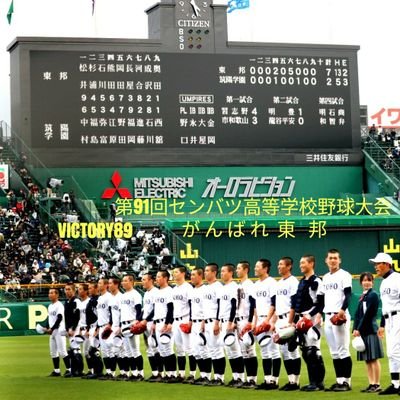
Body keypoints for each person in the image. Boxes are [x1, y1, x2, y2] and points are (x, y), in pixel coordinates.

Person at [317, 248, 352, 391]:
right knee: (334, 351)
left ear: (339, 260)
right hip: (328, 316)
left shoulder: (345, 275)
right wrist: (320, 314)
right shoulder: (325, 277)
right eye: (330, 258)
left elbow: (348, 295)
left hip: (340, 315)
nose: (333, 260)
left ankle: (346, 383)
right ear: (326, 260)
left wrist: (342, 310)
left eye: (335, 258)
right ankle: (339, 381)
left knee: (343, 350)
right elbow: (321, 298)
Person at [291, 254, 325, 392]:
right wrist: (294, 321)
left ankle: (317, 382)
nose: (301, 265)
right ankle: (314, 381)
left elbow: (320, 302)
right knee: (305, 351)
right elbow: (297, 304)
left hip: (311, 319)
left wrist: (310, 315)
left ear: (311, 264)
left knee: (313, 351)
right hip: (301, 319)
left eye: (303, 262)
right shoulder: (301, 281)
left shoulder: (316, 281)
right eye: (300, 263)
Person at [369, 252, 400, 395]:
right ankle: (395, 384)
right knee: (391, 353)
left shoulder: (397, 278)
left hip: (398, 317)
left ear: (387, 264)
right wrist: (382, 325)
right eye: (375, 264)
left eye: (378, 263)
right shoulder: (383, 283)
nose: (375, 266)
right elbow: (385, 306)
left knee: (395, 352)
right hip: (389, 319)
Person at [352, 272, 384, 393]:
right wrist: (354, 328)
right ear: (360, 283)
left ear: (372, 282)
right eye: (364, 280)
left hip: (370, 329)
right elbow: (357, 314)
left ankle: (377, 384)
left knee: (374, 358)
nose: (367, 282)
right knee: (367, 359)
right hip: (363, 330)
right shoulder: (363, 296)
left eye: (369, 280)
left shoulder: (373, 295)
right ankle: (371, 383)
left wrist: (358, 328)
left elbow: (369, 314)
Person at [253, 258, 280, 390]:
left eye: (257, 266)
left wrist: (270, 321)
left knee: (274, 351)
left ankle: (274, 381)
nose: (255, 268)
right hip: (260, 320)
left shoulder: (272, 283)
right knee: (264, 351)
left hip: (268, 320)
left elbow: (275, 304)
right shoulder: (256, 284)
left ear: (265, 268)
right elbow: (256, 307)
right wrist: (255, 322)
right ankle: (267, 379)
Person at [275, 256, 301, 391]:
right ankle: (291, 380)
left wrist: (292, 322)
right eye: (278, 264)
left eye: (281, 264)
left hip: (288, 319)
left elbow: (295, 303)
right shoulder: (279, 283)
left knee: (293, 350)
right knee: (284, 351)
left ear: (289, 266)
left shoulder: (293, 282)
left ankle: (296, 381)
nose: (279, 266)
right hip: (279, 319)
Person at [219, 263, 245, 388]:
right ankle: (235, 377)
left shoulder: (234, 286)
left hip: (230, 322)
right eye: (221, 271)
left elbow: (235, 305)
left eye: (224, 271)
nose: (221, 273)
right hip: (223, 321)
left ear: (231, 272)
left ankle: (241, 377)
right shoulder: (224, 287)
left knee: (236, 350)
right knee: (229, 351)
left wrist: (231, 321)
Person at [202, 263, 225, 386]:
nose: (205, 273)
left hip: (215, 321)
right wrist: (203, 322)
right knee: (211, 350)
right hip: (207, 321)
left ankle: (219, 378)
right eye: (205, 271)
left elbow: (220, 306)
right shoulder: (206, 288)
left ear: (214, 272)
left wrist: (217, 322)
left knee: (217, 350)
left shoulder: (218, 287)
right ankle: (215, 377)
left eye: (207, 271)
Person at [235, 261, 257, 389]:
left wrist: (250, 322)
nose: (237, 270)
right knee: (244, 352)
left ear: (246, 270)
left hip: (246, 320)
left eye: (239, 268)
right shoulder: (239, 285)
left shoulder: (249, 285)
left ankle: (252, 380)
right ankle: (247, 379)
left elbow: (253, 304)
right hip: (239, 320)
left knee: (250, 350)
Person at [171, 266, 195, 382]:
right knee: (179, 349)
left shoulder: (188, 287)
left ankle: (192, 374)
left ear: (183, 273)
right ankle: (180, 374)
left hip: (185, 319)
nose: (174, 274)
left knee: (189, 348)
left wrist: (190, 321)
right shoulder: (174, 289)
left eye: (176, 272)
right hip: (176, 320)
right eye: (173, 272)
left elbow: (191, 305)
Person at [153, 270, 177, 382]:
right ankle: (167, 374)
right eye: (156, 277)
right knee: (162, 350)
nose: (156, 279)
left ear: (165, 278)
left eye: (158, 277)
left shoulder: (169, 291)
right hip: (158, 322)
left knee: (168, 349)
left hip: (165, 323)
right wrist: (154, 323)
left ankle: (173, 374)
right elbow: (156, 310)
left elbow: (171, 309)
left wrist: (168, 323)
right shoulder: (157, 292)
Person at [189, 267, 211, 385]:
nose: (191, 277)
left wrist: (204, 321)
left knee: (204, 350)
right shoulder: (192, 290)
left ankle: (207, 376)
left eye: (193, 275)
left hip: (202, 323)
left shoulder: (205, 290)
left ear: (200, 276)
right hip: (194, 322)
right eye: (191, 275)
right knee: (195, 350)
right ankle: (202, 375)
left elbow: (206, 307)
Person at [120, 274, 144, 380]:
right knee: (128, 351)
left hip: (132, 323)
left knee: (135, 350)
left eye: (125, 281)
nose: (123, 282)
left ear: (131, 282)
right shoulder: (123, 295)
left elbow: (139, 310)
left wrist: (137, 322)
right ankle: (133, 373)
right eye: (122, 281)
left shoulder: (136, 294)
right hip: (124, 324)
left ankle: (141, 373)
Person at [140, 273, 163, 382]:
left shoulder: (156, 293)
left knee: (156, 348)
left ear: (151, 280)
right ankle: (154, 373)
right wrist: (140, 320)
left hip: (153, 323)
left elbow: (156, 309)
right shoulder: (146, 294)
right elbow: (144, 310)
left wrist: (146, 320)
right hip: (145, 324)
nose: (142, 281)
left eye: (144, 279)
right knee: (149, 350)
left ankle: (161, 373)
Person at [46, 288, 71, 377]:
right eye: (49, 293)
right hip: (53, 331)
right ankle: (56, 370)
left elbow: (59, 318)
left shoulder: (59, 305)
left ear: (57, 295)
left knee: (62, 351)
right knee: (53, 352)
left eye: (52, 293)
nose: (50, 294)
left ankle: (69, 369)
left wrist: (52, 329)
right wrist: (47, 327)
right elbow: (49, 318)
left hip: (59, 330)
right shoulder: (50, 306)